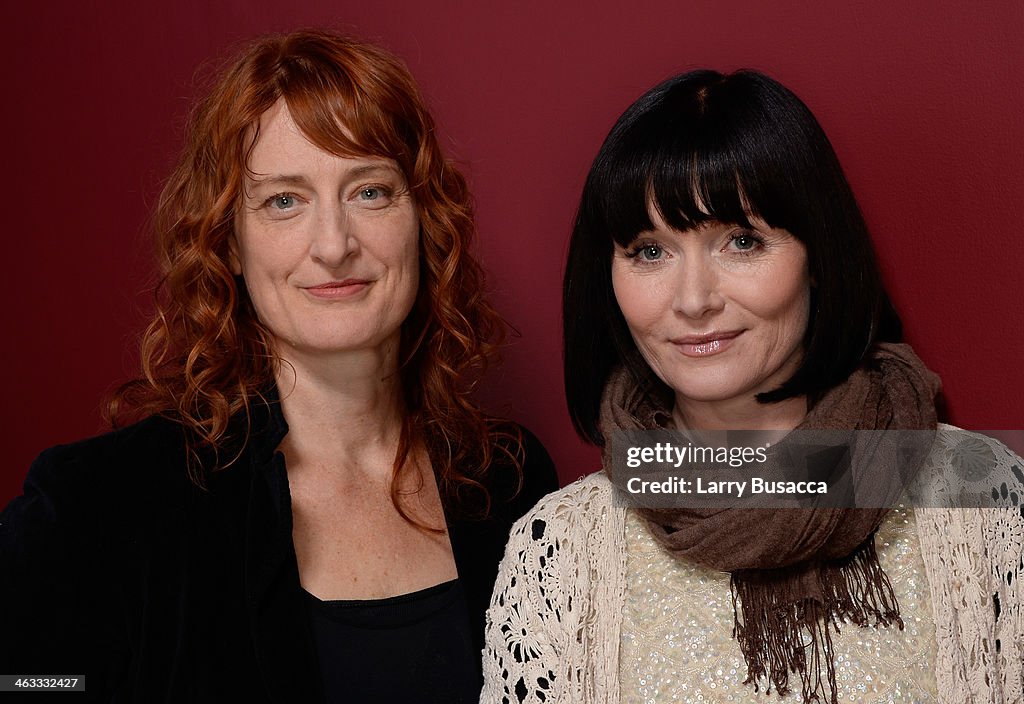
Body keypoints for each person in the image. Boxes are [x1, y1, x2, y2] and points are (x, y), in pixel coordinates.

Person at [0, 30, 557, 702]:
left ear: (423, 220)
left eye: (370, 192)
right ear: (227, 241)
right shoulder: (105, 503)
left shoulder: (509, 481)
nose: (333, 244)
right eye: (283, 201)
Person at [481, 70, 1023, 703]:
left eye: (741, 242)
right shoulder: (563, 550)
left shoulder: (978, 497)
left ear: (818, 257)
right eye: (649, 252)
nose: (692, 301)